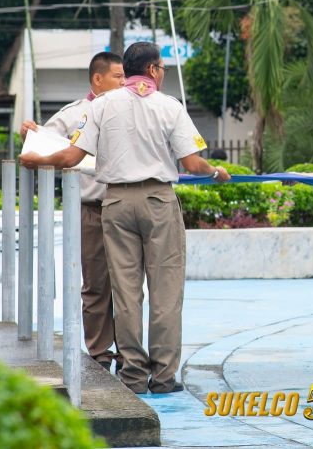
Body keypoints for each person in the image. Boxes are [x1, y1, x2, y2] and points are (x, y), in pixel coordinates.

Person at [21, 42, 229, 395]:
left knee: (125, 293)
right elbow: (193, 163)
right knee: (165, 292)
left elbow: (71, 157)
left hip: (115, 202)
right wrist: (216, 172)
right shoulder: (170, 106)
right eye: (161, 67)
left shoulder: (100, 106)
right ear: (151, 70)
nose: (162, 73)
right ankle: (163, 377)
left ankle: (132, 375)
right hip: (158, 201)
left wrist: (35, 160)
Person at [20, 51, 125, 372]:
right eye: (118, 76)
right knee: (95, 285)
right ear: (98, 79)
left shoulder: (131, 110)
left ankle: (130, 355)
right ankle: (100, 354)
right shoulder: (74, 114)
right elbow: (41, 142)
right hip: (92, 209)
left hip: (124, 205)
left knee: (128, 286)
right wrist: (30, 134)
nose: (124, 82)